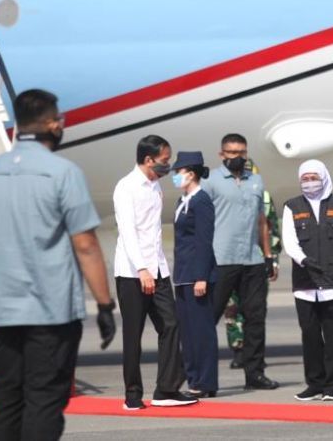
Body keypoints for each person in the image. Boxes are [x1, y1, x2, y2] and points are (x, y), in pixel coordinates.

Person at [0, 89, 116, 440]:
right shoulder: (63, 173)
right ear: (51, 124)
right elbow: (85, 244)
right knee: (44, 397)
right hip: (50, 312)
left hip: (2, 311)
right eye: (59, 119)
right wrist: (104, 304)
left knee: (6, 397)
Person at [112, 135, 196, 409]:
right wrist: (142, 269)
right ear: (148, 160)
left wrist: (157, 269)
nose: (168, 165)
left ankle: (167, 390)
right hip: (132, 272)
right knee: (133, 334)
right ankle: (132, 395)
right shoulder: (126, 187)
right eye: (164, 160)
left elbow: (154, 231)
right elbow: (128, 233)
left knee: (171, 325)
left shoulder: (155, 186)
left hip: (158, 270)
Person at [203, 134, 279, 390]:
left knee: (255, 318)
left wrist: (268, 255)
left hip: (252, 259)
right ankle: (201, 376)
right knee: (209, 317)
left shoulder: (256, 180)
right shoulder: (210, 181)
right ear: (222, 154)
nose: (237, 157)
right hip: (221, 259)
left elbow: (261, 221)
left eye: (241, 153)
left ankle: (255, 373)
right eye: (232, 153)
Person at [281, 160, 333, 402]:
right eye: (305, 178)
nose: (309, 182)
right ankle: (315, 384)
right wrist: (303, 260)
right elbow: (289, 241)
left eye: (314, 177)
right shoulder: (292, 206)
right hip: (306, 283)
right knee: (310, 335)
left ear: (324, 178)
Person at [223, 158, 281, 370]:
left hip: (256, 260)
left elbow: (271, 229)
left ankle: (254, 353)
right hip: (230, 260)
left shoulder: (263, 197)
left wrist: (272, 260)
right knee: (232, 308)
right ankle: (238, 350)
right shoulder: (224, 195)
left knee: (255, 311)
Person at [171, 151, 220, 396]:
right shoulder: (182, 201)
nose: (175, 176)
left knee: (201, 331)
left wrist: (201, 276)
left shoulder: (201, 201)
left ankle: (206, 382)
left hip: (196, 275)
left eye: (178, 172)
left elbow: (203, 241)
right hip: (182, 274)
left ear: (190, 174)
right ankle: (193, 379)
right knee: (187, 332)